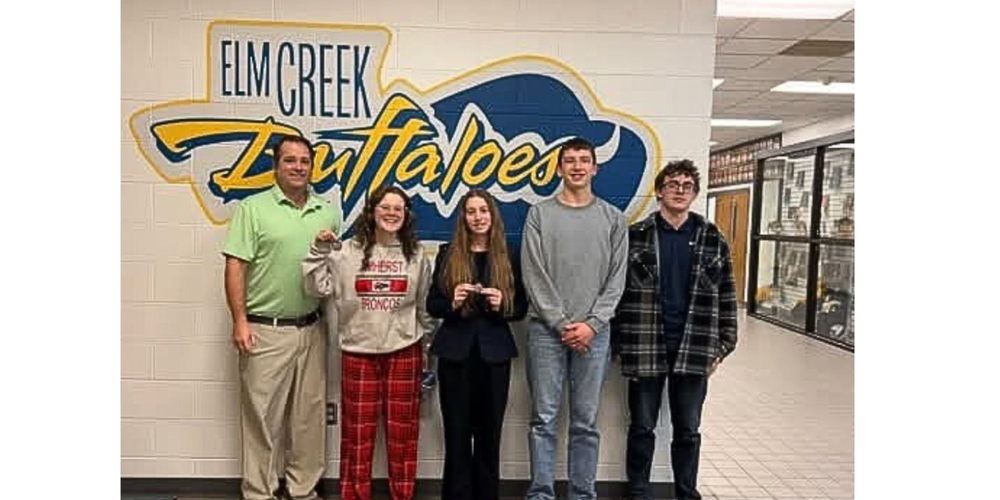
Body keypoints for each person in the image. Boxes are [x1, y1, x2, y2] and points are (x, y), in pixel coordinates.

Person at [611, 160, 739, 500]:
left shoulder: (713, 238)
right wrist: (618, 343)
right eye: (672, 184)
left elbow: (728, 295)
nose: (680, 190)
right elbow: (616, 293)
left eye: (686, 185)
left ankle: (686, 493)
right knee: (641, 427)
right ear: (659, 192)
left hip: (695, 348)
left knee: (688, 431)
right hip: (644, 345)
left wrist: (722, 347)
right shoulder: (635, 235)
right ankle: (638, 492)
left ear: (695, 193)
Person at [222, 135, 340, 500]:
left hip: (311, 326)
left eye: (304, 161)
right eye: (290, 160)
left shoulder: (327, 211)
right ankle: (260, 492)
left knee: (309, 417)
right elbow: (235, 265)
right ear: (276, 166)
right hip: (264, 329)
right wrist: (239, 320)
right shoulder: (252, 209)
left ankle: (303, 490)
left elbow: (332, 271)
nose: (298, 167)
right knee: (262, 418)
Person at [302, 185, 435, 500]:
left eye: (398, 209)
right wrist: (318, 252)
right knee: (356, 437)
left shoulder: (416, 256)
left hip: (405, 352)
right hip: (358, 352)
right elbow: (313, 288)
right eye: (385, 208)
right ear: (372, 213)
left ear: (406, 216)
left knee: (403, 437)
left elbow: (424, 308)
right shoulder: (346, 252)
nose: (391, 214)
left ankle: (402, 494)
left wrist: (427, 350)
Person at [520, 137, 628, 500]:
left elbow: (617, 280)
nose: (577, 166)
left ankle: (583, 494)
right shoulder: (539, 214)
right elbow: (533, 274)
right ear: (559, 168)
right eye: (570, 160)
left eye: (584, 160)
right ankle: (541, 493)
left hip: (594, 335)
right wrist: (561, 323)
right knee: (544, 420)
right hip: (545, 333)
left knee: (585, 423)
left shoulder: (613, 218)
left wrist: (591, 325)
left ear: (595, 168)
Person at [426, 189, 529, 500]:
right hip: (455, 355)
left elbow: (522, 307)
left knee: (489, 436)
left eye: (483, 211)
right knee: (457, 435)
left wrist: (503, 305)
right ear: (463, 217)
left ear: (492, 215)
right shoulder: (448, 253)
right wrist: (452, 303)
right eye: (471, 211)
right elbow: (432, 304)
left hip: (495, 355)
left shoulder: (509, 254)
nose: (478, 217)